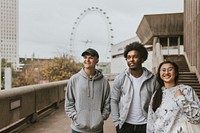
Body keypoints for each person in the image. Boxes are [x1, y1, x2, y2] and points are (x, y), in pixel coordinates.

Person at [111, 41, 157, 133]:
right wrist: (117, 122)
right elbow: (113, 100)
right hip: (125, 125)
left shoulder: (152, 80)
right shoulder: (120, 79)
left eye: (135, 57)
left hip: (146, 125)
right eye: (128, 57)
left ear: (142, 59)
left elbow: (157, 102)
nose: (131, 60)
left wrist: (154, 121)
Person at [65, 48, 111, 133]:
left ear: (97, 60)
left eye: (90, 58)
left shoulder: (104, 81)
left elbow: (107, 103)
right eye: (85, 57)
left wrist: (101, 117)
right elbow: (69, 103)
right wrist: (76, 117)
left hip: (97, 129)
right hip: (77, 129)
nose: (87, 60)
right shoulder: (74, 79)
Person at [147, 61, 200, 133]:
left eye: (170, 69)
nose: (166, 72)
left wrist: (181, 99)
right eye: (163, 70)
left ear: (176, 73)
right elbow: (151, 119)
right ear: (159, 74)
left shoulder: (186, 90)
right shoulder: (156, 94)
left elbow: (197, 117)